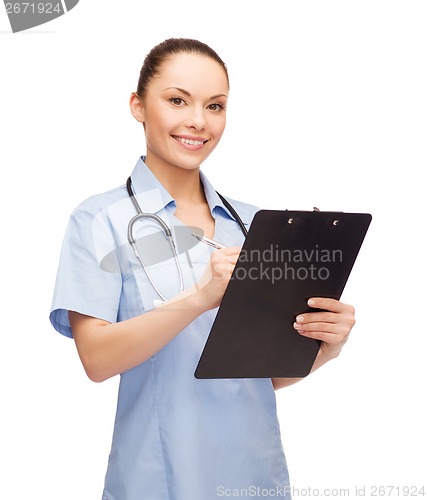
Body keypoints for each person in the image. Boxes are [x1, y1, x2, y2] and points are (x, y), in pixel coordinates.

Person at [50, 38, 356, 500]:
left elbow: (261, 376)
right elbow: (96, 359)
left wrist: (323, 346)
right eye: (177, 100)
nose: (198, 121)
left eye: (215, 106)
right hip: (159, 477)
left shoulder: (255, 225)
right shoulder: (100, 220)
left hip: (254, 476)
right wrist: (199, 297)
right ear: (138, 106)